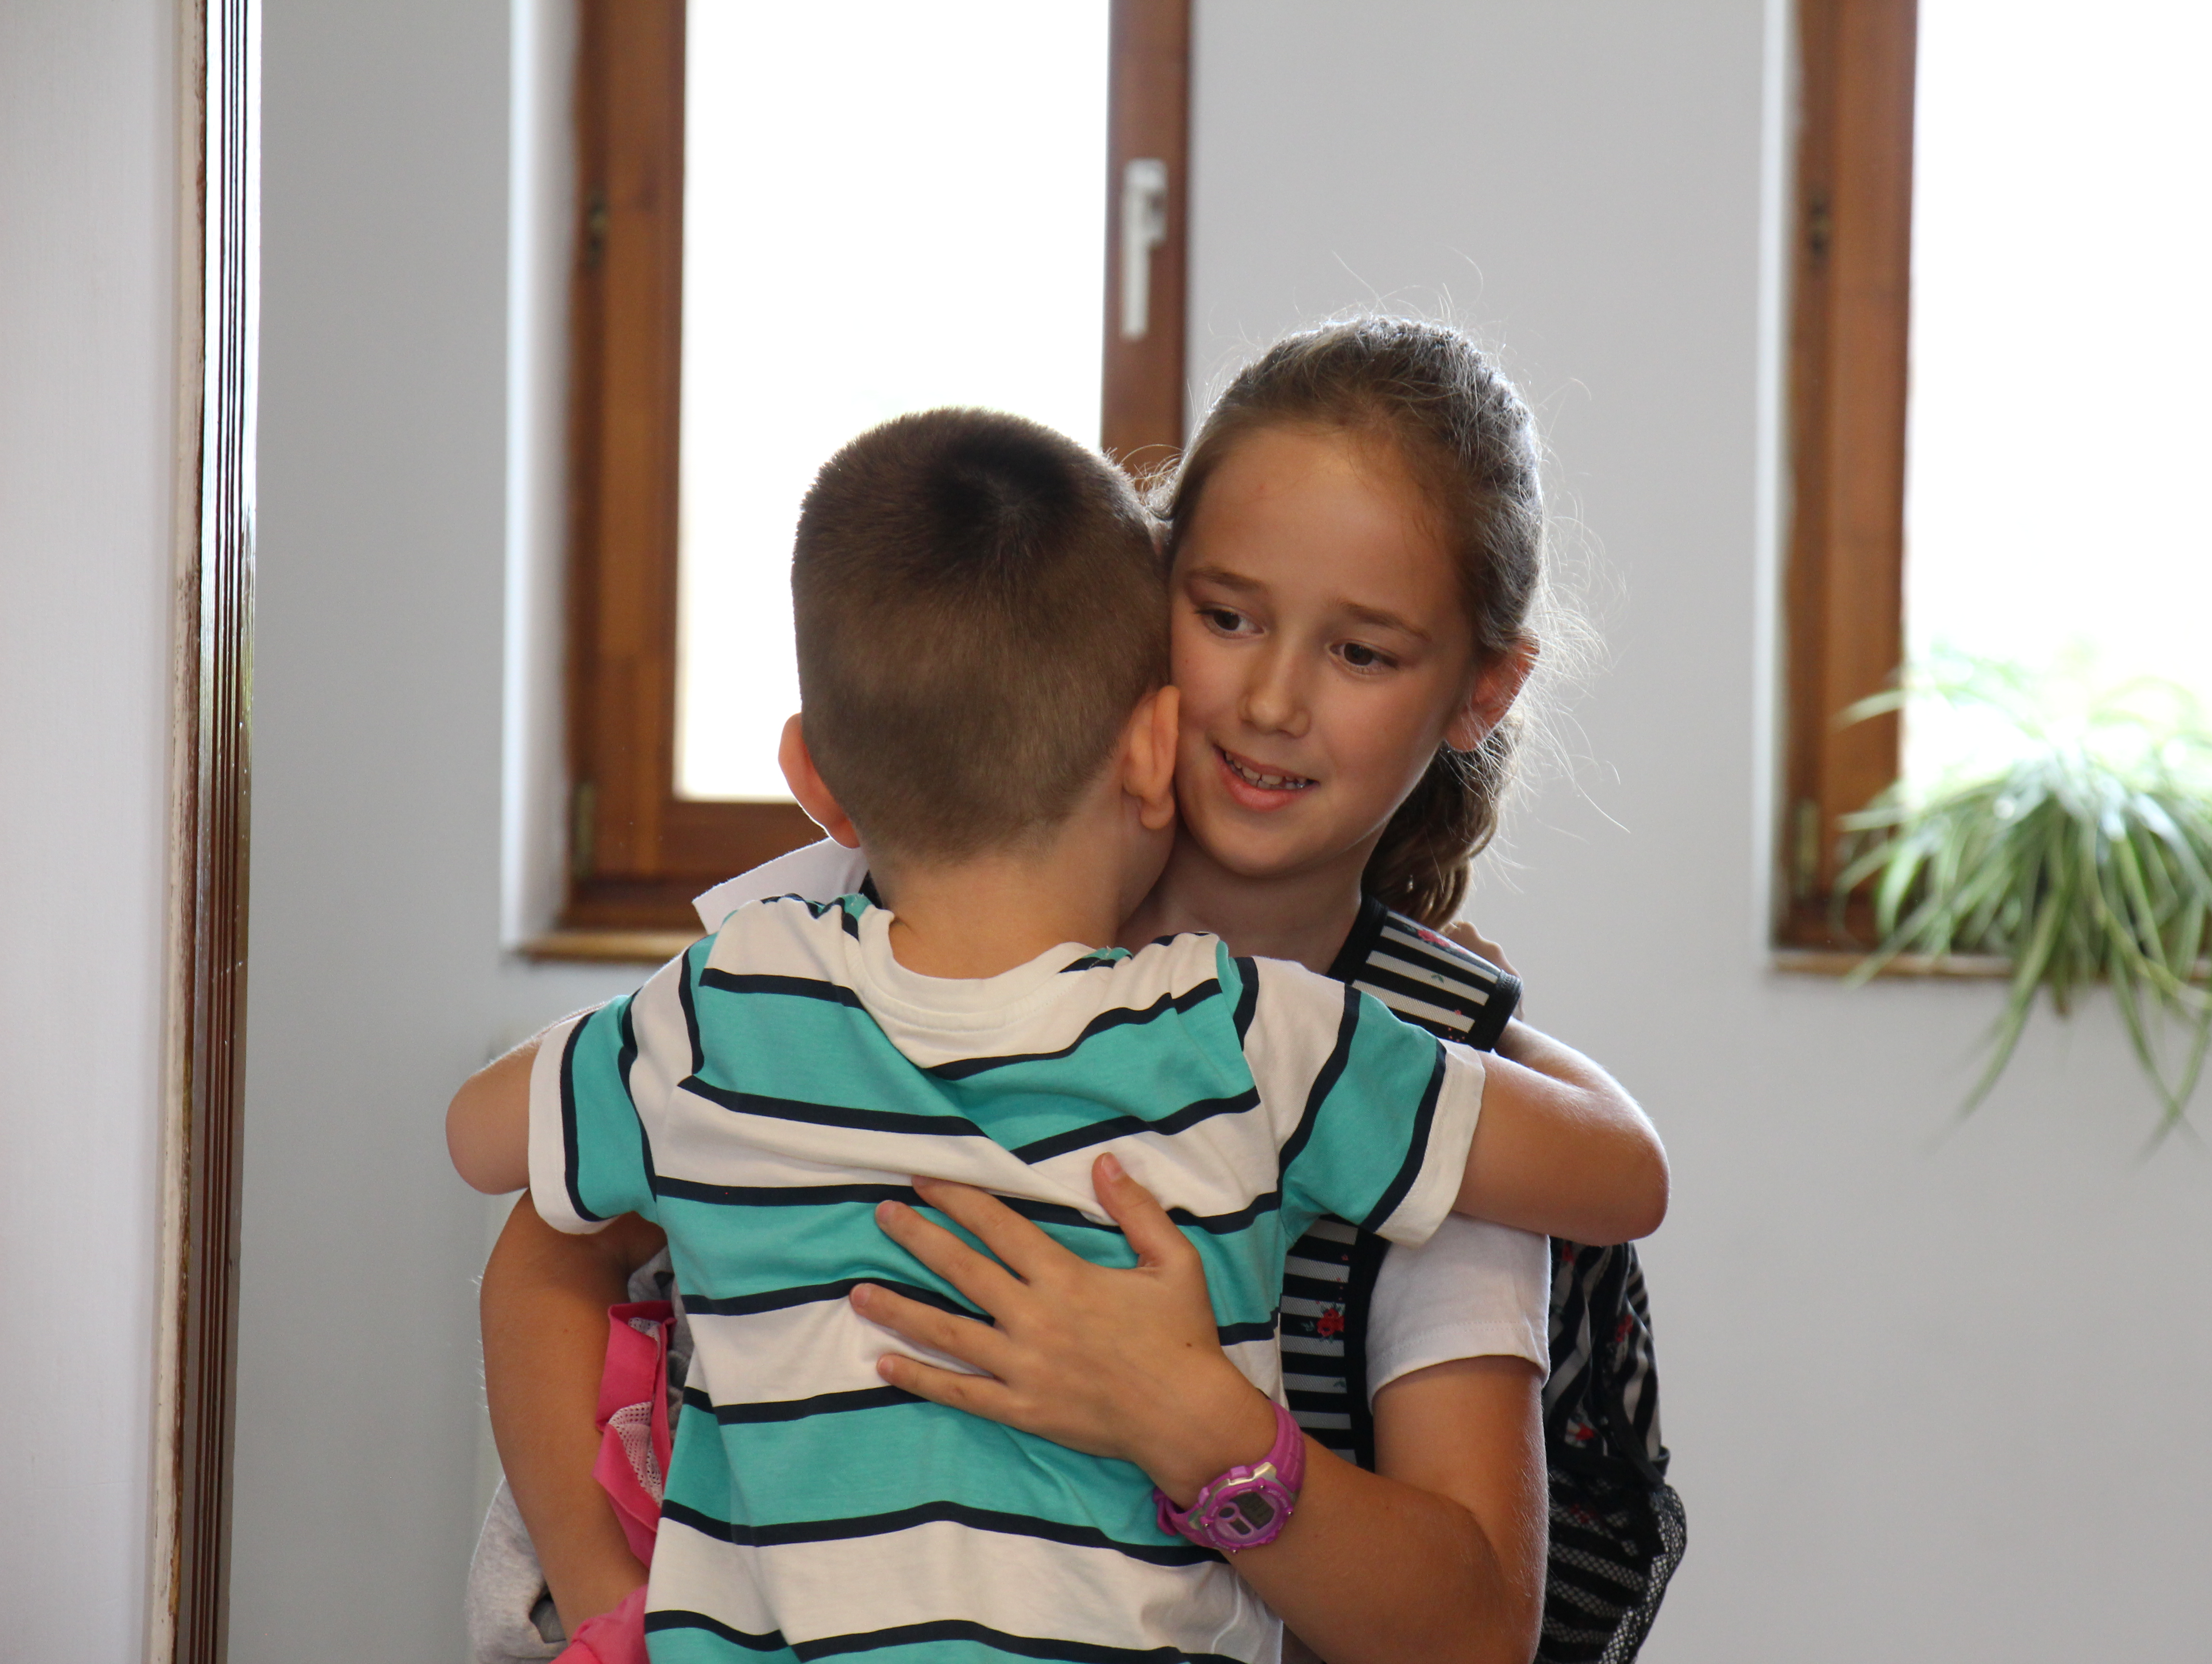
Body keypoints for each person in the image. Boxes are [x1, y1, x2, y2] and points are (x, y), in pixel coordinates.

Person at [470, 319, 1679, 1664]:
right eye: (1225, 616)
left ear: (1481, 689)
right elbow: (547, 1254)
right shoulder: (871, 901)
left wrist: (1192, 1422)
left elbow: (1472, 1635)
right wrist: (607, 1611)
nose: (1272, 701)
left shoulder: (1423, 1065)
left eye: (1363, 654)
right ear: (1147, 585)